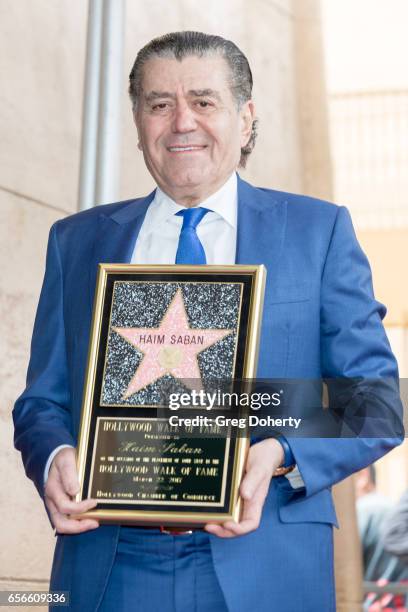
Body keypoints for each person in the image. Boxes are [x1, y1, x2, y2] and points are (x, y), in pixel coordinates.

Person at [13, 31, 403, 612]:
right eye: (159, 104)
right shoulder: (77, 242)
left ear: (246, 119)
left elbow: (377, 403)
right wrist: (54, 456)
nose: (181, 123)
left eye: (204, 101)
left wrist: (282, 450)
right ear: (139, 122)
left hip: (266, 559)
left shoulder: (317, 233)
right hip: (112, 564)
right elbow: (42, 403)